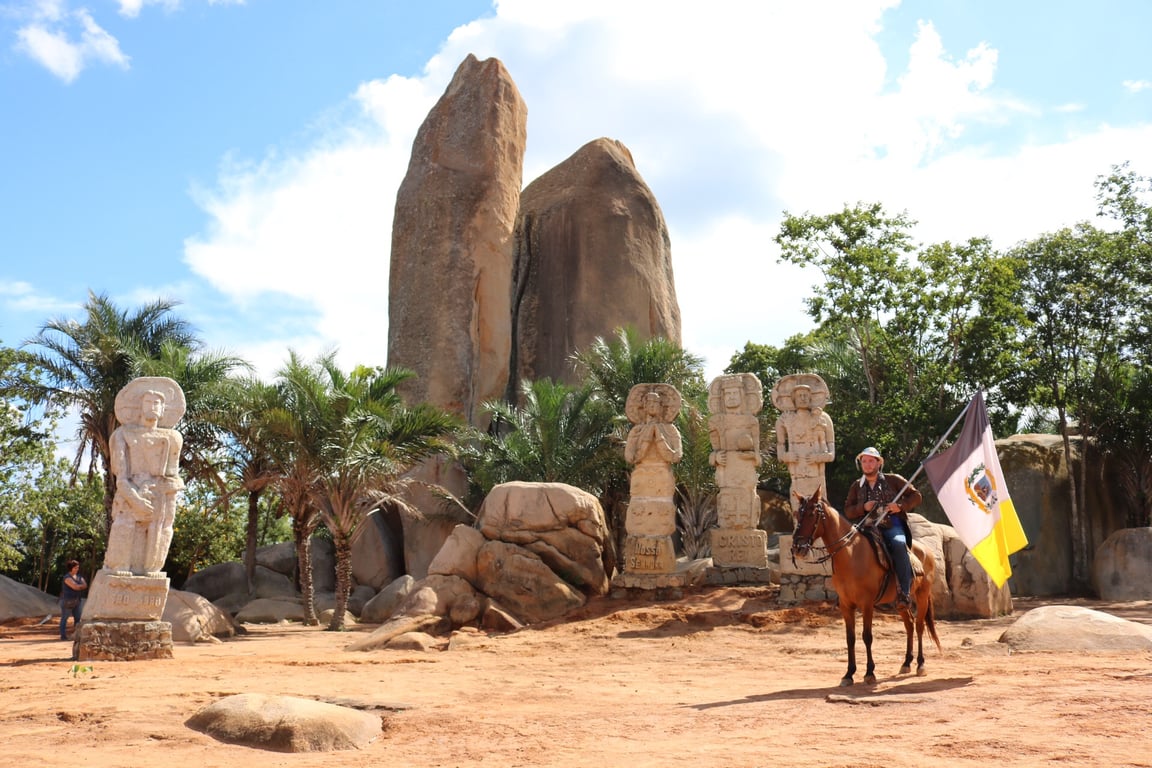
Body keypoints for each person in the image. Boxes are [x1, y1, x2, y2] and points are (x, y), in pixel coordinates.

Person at [103, 381, 185, 576]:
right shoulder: (122, 434)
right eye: (149, 402)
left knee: (161, 530)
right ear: (138, 406)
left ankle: (152, 567)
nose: (153, 407)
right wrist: (136, 499)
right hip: (131, 491)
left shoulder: (173, 437)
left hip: (161, 494)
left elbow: (172, 474)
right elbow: (121, 477)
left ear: (164, 409)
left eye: (158, 403)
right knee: (125, 526)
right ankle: (120, 566)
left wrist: (161, 491)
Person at [843, 446, 923, 610]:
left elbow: (916, 496)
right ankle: (845, 592)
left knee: (899, 545)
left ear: (878, 463)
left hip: (892, 525)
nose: (867, 464)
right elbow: (848, 511)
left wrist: (900, 506)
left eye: (871, 461)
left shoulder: (893, 479)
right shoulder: (856, 486)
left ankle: (904, 593)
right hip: (866, 528)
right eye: (864, 461)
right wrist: (863, 507)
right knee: (844, 549)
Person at [58, 559, 87, 640]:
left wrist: (79, 586)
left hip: (77, 600)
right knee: (64, 618)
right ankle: (63, 636)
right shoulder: (67, 578)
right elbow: (76, 587)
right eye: (75, 568)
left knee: (77, 618)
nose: (77, 569)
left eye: (78, 567)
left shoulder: (79, 576)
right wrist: (79, 586)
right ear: (71, 568)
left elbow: (85, 585)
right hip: (67, 601)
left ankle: (76, 635)